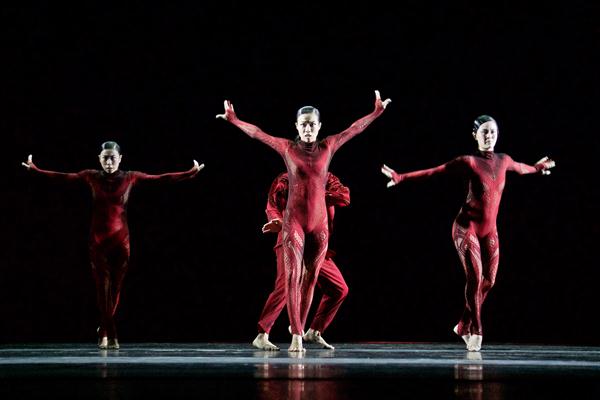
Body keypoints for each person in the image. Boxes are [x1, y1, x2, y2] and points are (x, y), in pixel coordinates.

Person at [217, 90, 391, 351]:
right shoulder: (288, 148)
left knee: (310, 282)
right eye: (303, 124)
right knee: (292, 278)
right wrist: (234, 120)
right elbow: (258, 134)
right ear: (296, 126)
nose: (308, 128)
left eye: (312, 124)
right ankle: (296, 336)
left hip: (319, 227)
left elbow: (354, 129)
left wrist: (376, 113)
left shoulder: (328, 146)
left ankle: (305, 330)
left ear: (319, 126)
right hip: (294, 223)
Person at [381, 115, 555, 351]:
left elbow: (522, 169)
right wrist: (401, 177)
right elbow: (435, 171)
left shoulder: (504, 160)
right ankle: (476, 331)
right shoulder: (469, 162)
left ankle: (463, 324)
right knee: (475, 278)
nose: (489, 136)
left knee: (489, 281)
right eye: (484, 132)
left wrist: (538, 168)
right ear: (475, 135)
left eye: (493, 131)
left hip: (490, 230)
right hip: (466, 227)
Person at [22, 141, 204, 349]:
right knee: (102, 287)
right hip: (98, 241)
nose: (109, 162)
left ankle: (104, 327)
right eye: (105, 158)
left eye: (113, 158)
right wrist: (36, 170)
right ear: (99, 159)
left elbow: (161, 179)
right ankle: (111, 333)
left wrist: (189, 173)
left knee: (115, 288)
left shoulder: (130, 177)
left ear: (120, 159)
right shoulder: (91, 176)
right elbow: (63, 177)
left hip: (121, 242)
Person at [253, 171, 350, 351]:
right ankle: (262, 335)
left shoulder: (327, 177)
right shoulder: (286, 178)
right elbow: (272, 204)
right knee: (285, 286)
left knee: (339, 289)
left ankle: (314, 331)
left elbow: (344, 196)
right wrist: (277, 220)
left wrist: (315, 194)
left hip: (316, 245)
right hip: (291, 239)